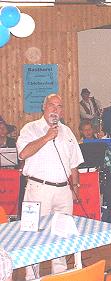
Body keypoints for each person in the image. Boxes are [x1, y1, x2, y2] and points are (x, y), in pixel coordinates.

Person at [16, 94, 84, 280]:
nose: (55, 109)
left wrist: (75, 186)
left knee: (62, 236)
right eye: (51, 105)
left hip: (63, 191)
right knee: (33, 235)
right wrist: (46, 137)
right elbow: (23, 153)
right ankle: (31, 276)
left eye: (59, 106)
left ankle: (59, 275)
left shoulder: (67, 131)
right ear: (44, 107)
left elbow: (74, 163)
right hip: (38, 190)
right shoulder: (30, 128)